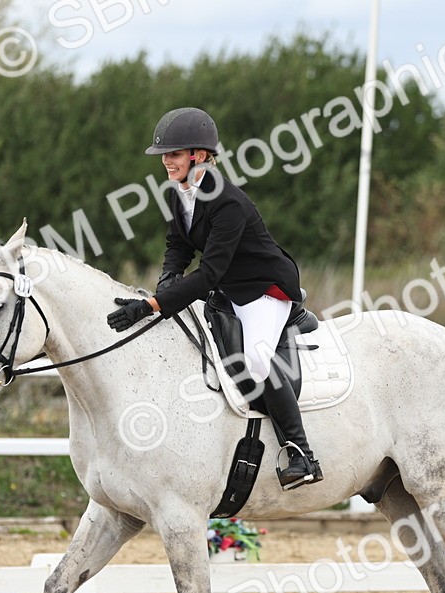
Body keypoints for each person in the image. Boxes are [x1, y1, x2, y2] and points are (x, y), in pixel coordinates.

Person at [107, 107, 323, 489]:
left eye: (173, 154)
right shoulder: (180, 193)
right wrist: (166, 281)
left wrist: (153, 306)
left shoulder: (227, 202)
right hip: (228, 289)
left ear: (199, 155)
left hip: (264, 290)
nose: (166, 162)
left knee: (257, 359)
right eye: (165, 155)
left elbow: (209, 274)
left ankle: (301, 453)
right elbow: (178, 245)